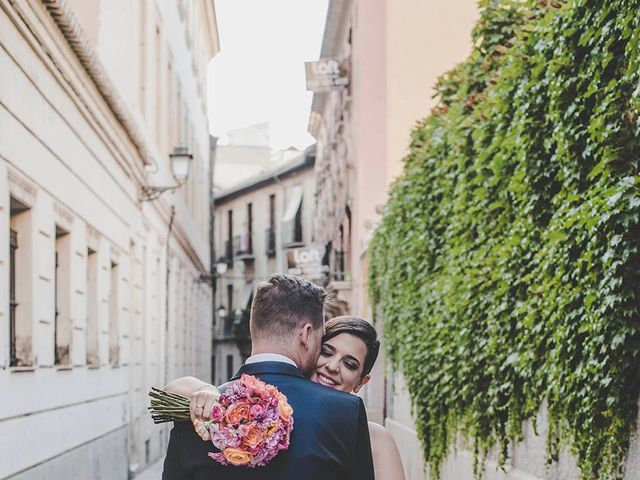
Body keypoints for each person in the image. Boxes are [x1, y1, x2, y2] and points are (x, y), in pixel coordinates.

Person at [162, 274, 374, 480]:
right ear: (306, 334)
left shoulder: (195, 409)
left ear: (254, 326)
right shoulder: (346, 412)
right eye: (322, 343)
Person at [167, 315, 406, 480]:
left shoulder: (375, 438)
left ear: (361, 382)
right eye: (326, 352)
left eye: (349, 364)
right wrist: (204, 390)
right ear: (310, 349)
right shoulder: (267, 408)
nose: (333, 367)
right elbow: (171, 390)